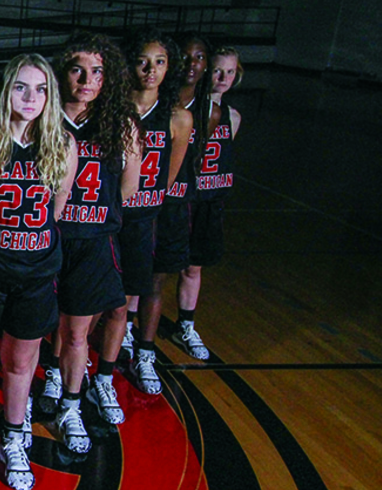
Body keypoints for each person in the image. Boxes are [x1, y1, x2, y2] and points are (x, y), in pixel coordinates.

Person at [39, 31, 141, 453]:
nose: (87, 78)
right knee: (36, 329)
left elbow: (128, 190)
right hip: (45, 238)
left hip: (93, 239)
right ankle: (47, 379)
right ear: (61, 74)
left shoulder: (121, 123)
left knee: (79, 333)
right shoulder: (41, 118)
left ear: (109, 78)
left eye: (97, 71)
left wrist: (91, 215)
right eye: (77, 69)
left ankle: (70, 405)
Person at [0, 54, 77, 489]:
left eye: (40, 89)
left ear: (51, 95)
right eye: (21, 87)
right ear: (6, 91)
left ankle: (15, 433)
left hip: (36, 271)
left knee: (21, 362)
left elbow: (55, 211)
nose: (31, 97)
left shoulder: (62, 145)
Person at [111, 29, 191, 400]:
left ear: (169, 68)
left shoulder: (179, 118)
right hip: (109, 216)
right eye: (143, 61)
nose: (150, 69)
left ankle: (144, 352)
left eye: (159, 62)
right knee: (103, 294)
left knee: (151, 285)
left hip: (146, 216)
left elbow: (169, 176)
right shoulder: (113, 109)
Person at [176, 46, 244, 360]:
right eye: (217, 70)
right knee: (158, 269)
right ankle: (132, 330)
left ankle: (186, 325)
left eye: (230, 72)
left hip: (211, 200)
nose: (223, 78)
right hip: (184, 199)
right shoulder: (188, 110)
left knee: (194, 267)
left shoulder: (233, 117)